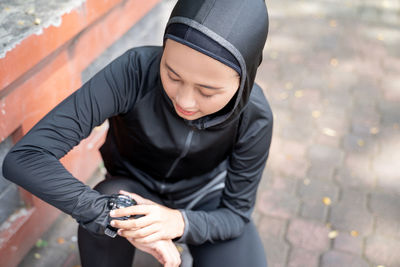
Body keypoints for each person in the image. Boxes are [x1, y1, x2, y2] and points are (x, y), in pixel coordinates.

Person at [2, 0, 272, 266]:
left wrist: (179, 221)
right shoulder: (135, 71)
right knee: (104, 220)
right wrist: (108, 213)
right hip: (133, 186)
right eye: (172, 75)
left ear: (245, 78)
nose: (185, 102)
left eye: (207, 91)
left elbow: (235, 215)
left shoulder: (255, 116)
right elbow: (26, 156)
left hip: (204, 196)